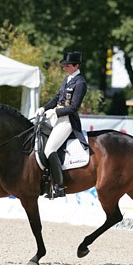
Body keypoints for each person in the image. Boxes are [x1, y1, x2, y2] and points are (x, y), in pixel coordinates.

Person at [36, 51, 88, 198]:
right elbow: (57, 98)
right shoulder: (67, 79)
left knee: (49, 149)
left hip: (67, 121)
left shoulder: (80, 83)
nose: (64, 67)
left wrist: (56, 113)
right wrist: (44, 108)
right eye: (64, 65)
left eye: (67, 65)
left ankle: (59, 186)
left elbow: (73, 108)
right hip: (56, 118)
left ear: (76, 66)